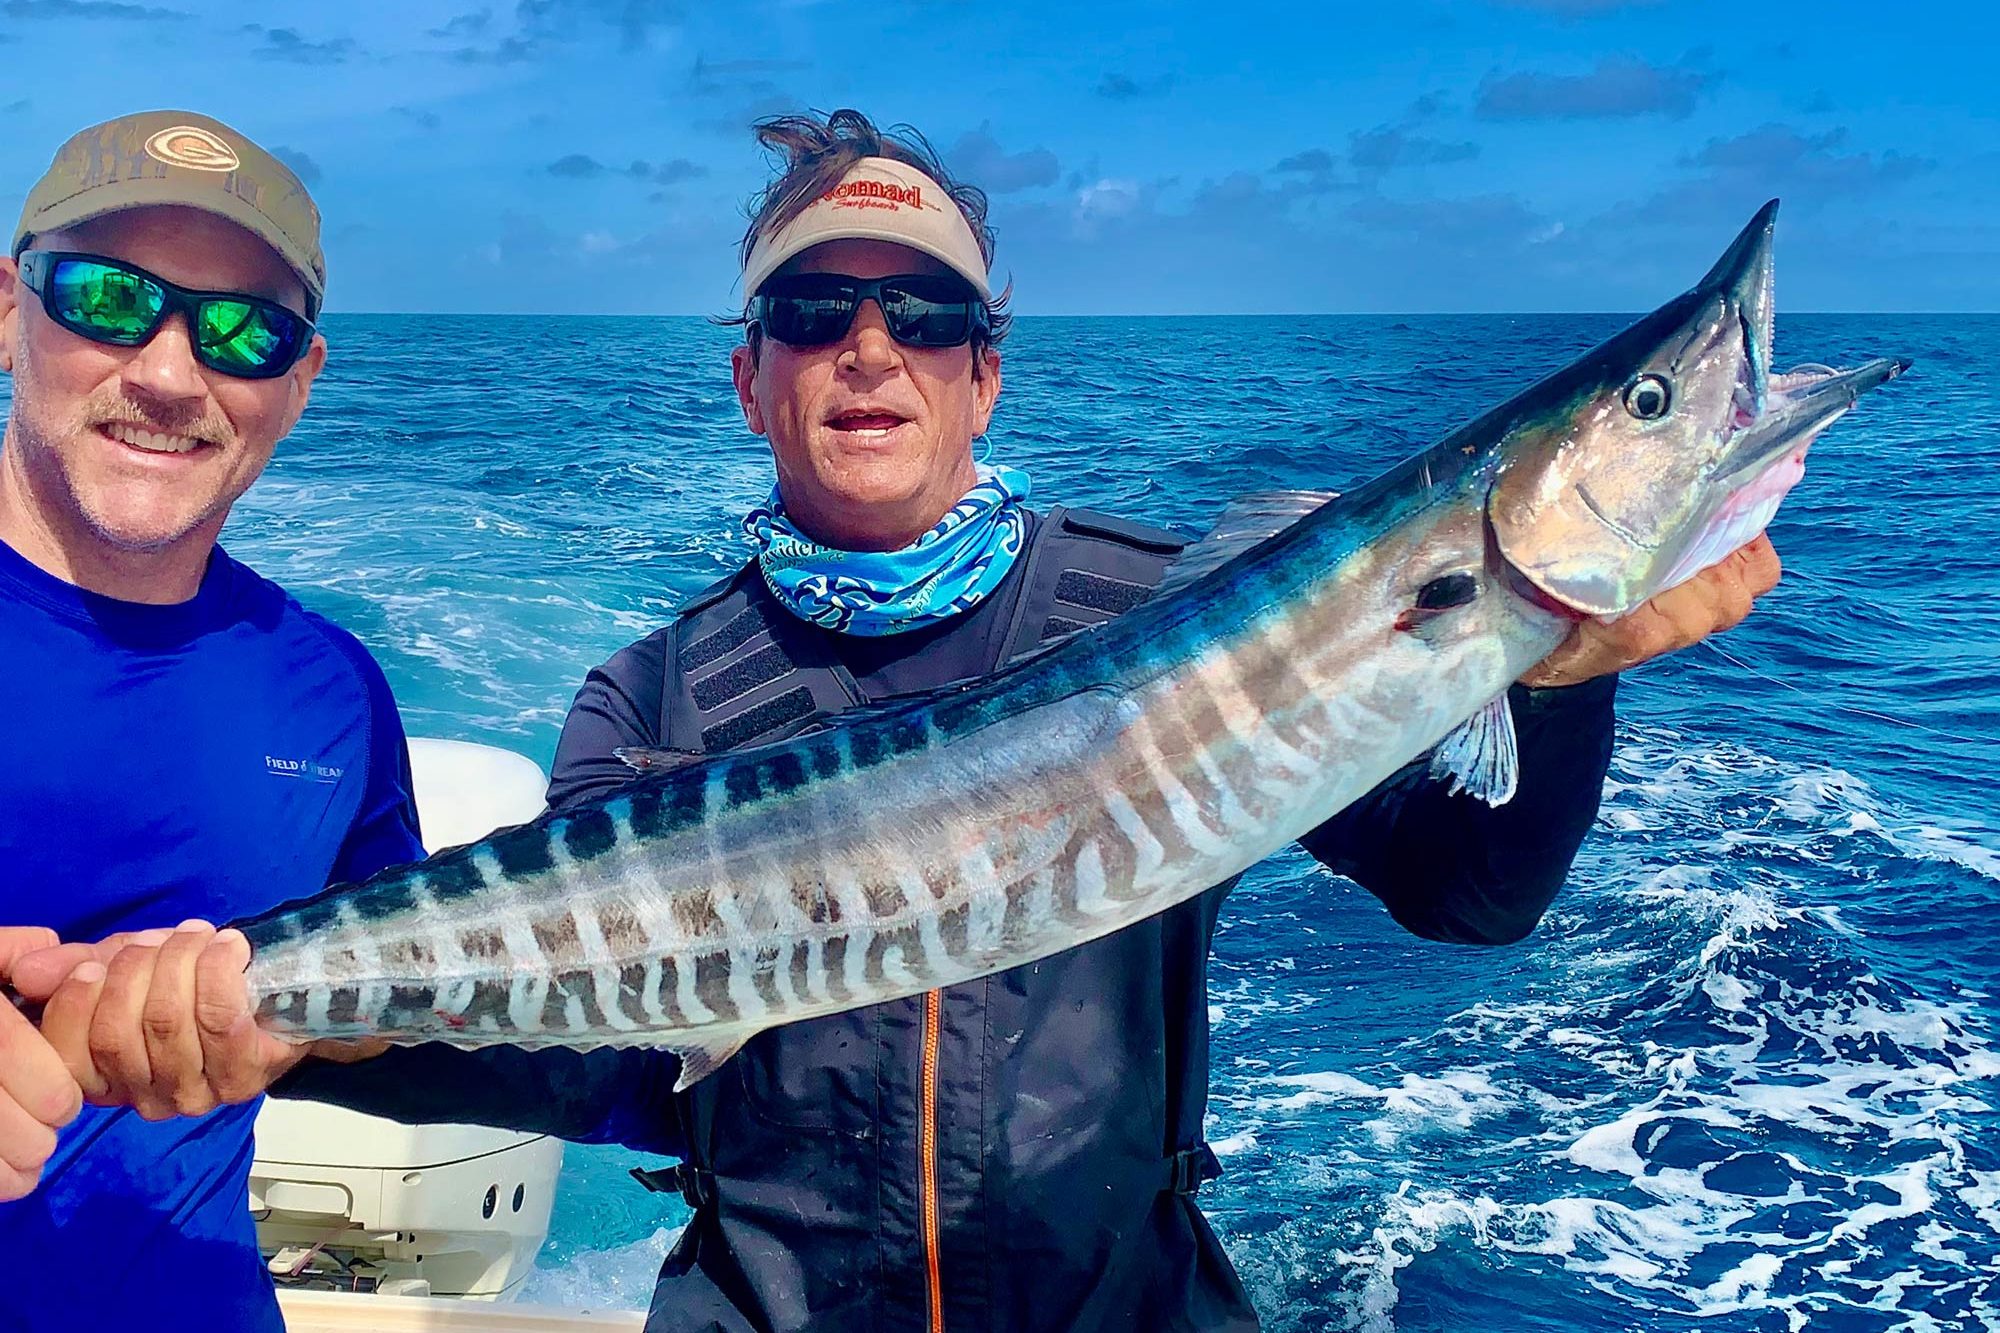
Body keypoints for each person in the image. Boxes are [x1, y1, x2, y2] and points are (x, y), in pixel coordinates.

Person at [24, 110, 1781, 1331]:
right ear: (753, 373)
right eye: (815, 309)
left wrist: (1568, 673)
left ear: (981, 369)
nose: (871, 345)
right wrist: (286, 1021)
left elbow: (1474, 893)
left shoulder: (1157, 614)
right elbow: (600, 1063)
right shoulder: (653, 698)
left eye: (924, 312)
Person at [0, 111, 424, 1333]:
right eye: (105, 298)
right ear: (8, 308)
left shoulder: (334, 693)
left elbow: (398, 1004)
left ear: (299, 382)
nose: (172, 372)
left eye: (245, 330)